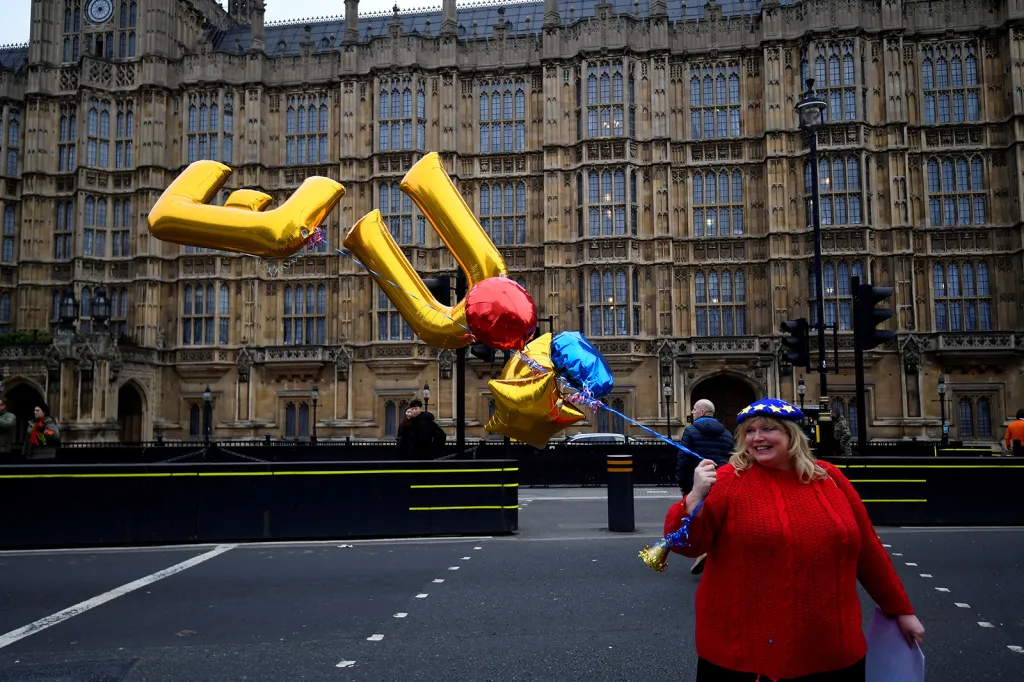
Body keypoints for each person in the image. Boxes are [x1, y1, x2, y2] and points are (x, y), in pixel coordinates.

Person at [664, 397, 925, 682]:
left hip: (832, 650)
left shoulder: (831, 478)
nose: (757, 438)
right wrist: (693, 498)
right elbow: (686, 545)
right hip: (744, 657)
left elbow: (869, 553)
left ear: (792, 434)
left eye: (768, 429)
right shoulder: (728, 480)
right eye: (749, 431)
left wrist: (900, 610)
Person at [675, 398, 734, 576]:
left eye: (693, 410)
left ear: (701, 412)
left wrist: (683, 485)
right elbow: (732, 459)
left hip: (698, 482)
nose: (691, 413)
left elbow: (683, 460)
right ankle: (718, 554)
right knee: (719, 518)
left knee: (698, 518)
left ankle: (702, 552)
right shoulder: (726, 434)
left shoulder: (691, 431)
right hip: (721, 481)